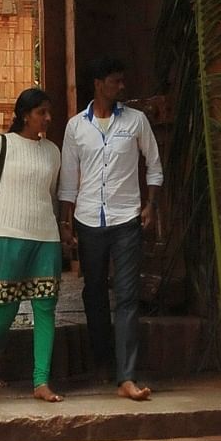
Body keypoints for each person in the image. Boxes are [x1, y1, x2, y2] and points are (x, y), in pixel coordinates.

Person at [59, 55, 163, 401]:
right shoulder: (76, 127)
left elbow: (154, 165)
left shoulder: (136, 122)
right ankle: (102, 360)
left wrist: (150, 205)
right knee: (94, 294)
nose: (122, 86)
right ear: (99, 85)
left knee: (128, 296)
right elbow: (69, 179)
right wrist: (66, 222)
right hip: (89, 221)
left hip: (126, 220)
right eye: (115, 81)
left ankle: (126, 375)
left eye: (122, 80)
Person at [0, 87, 64, 402]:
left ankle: (41, 381)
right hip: (9, 235)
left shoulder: (53, 151)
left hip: (46, 238)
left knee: (46, 308)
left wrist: (62, 231)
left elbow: (52, 197)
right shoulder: (1, 144)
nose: (47, 118)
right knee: (7, 309)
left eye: (48, 113)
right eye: (42, 112)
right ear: (25, 114)